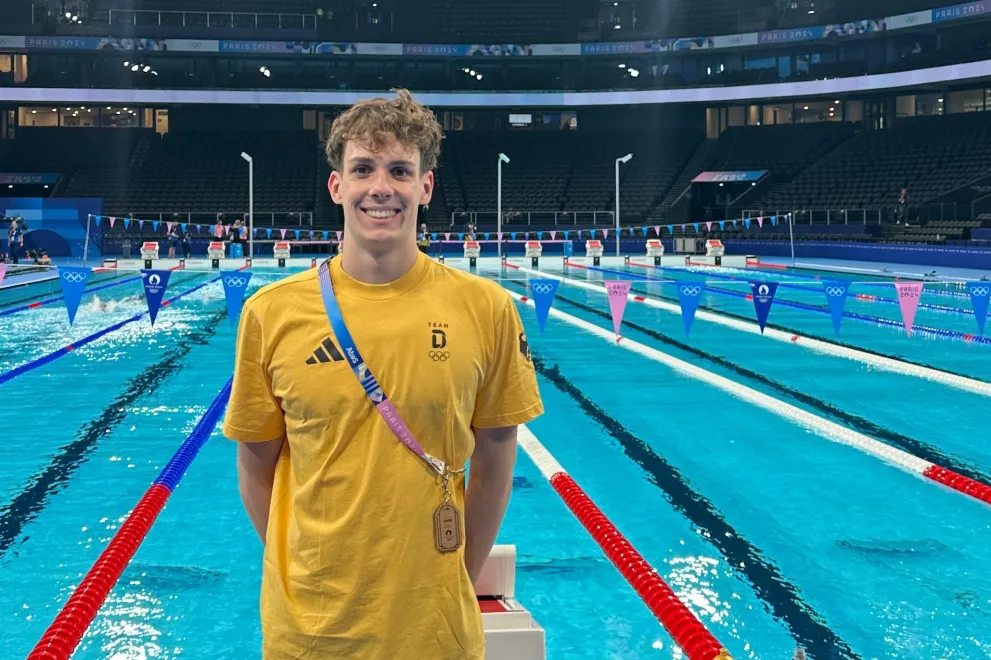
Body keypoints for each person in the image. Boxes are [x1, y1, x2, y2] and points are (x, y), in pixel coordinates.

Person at [224, 88, 544, 660]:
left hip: (436, 632)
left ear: (424, 187)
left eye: (400, 170)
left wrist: (455, 578)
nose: (381, 187)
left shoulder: (487, 308)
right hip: (308, 634)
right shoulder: (271, 313)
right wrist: (300, 569)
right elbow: (255, 464)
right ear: (337, 186)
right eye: (363, 168)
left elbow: (497, 458)